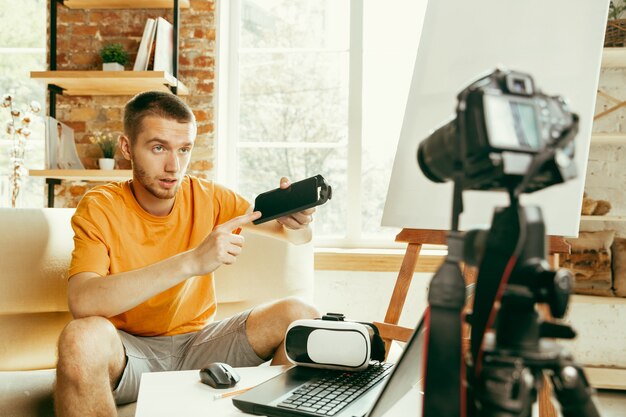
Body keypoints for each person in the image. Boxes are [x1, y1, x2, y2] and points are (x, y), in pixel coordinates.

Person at [54, 91, 319, 417]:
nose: (173, 166)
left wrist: (299, 220)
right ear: (126, 148)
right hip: (130, 352)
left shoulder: (210, 197)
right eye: (158, 148)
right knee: (80, 339)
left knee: (301, 316)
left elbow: (294, 236)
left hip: (202, 344)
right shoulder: (101, 206)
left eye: (184, 150)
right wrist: (193, 261)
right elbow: (83, 301)